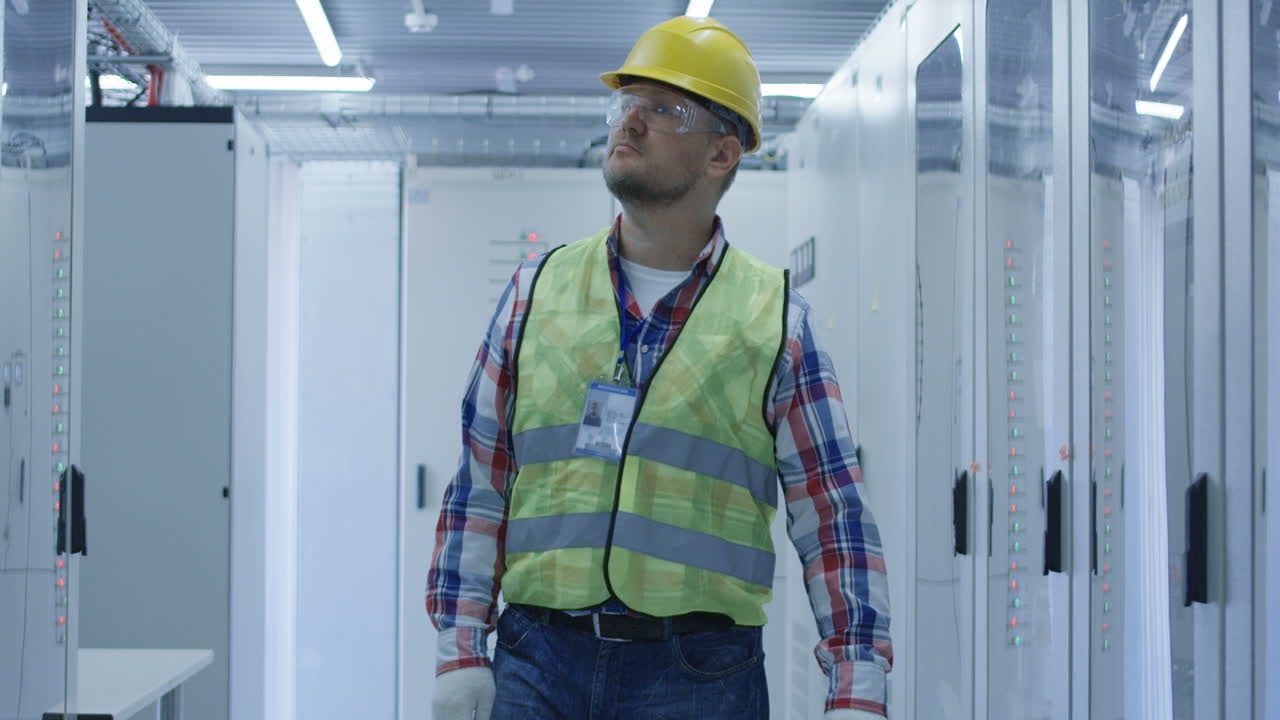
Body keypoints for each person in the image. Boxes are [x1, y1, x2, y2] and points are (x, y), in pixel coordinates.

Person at [427, 15, 891, 720]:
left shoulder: (775, 320)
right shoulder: (536, 290)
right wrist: (461, 649)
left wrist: (857, 685)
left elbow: (832, 515)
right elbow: (480, 484)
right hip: (537, 660)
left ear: (721, 155)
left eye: (664, 109)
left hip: (699, 676)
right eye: (626, 104)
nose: (631, 122)